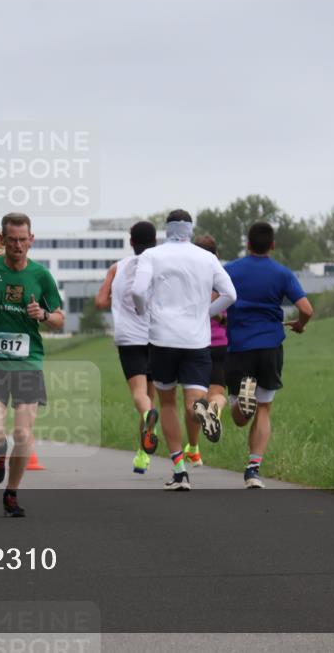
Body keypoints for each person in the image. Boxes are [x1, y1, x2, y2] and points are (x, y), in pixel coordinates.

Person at [0, 213, 64, 517]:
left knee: (22, 433)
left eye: (23, 240)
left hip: (28, 363)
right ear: (3, 240)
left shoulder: (41, 276)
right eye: (12, 240)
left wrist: (43, 315)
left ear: (31, 240)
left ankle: (11, 493)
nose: (18, 246)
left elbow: (60, 319)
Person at [131, 209, 236, 491]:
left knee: (167, 404)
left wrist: (143, 311)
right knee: (192, 403)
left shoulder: (152, 255)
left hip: (162, 339)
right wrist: (206, 313)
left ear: (167, 229)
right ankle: (204, 411)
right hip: (196, 341)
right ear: (190, 229)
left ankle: (179, 471)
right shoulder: (207, 258)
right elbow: (231, 294)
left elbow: (138, 291)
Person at [224, 222, 314, 489]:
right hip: (270, 347)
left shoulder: (230, 270)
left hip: (239, 346)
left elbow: (212, 300)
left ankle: (244, 399)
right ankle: (253, 470)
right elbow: (307, 309)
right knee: (264, 408)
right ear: (272, 245)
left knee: (239, 419)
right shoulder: (282, 273)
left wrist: (221, 317)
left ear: (247, 243)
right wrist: (300, 325)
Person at [94, 220, 160, 475]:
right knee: (150, 396)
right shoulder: (161, 266)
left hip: (129, 339)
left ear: (131, 242)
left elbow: (100, 302)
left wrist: (116, 296)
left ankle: (147, 422)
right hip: (157, 336)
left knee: (140, 395)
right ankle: (142, 456)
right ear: (155, 242)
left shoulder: (117, 267)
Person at [189, 235, 230, 465]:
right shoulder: (222, 276)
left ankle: (194, 450)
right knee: (217, 394)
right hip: (221, 343)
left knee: (194, 400)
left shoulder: (190, 277)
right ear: (217, 255)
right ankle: (214, 409)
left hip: (196, 343)